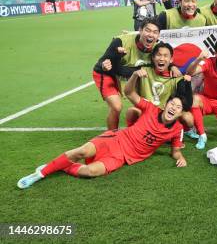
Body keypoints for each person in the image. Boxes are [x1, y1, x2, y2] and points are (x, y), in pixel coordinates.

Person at [17, 69, 190, 189]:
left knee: (90, 172)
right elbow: (129, 93)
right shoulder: (151, 108)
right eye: (172, 104)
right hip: (116, 139)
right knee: (83, 152)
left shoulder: (177, 129)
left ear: (180, 113)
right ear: (166, 104)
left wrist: (180, 157)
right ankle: (41, 173)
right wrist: (135, 76)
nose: (173, 108)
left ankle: (61, 166)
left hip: (123, 157)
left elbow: (175, 150)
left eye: (178, 107)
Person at [92, 18, 161, 130]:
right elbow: (103, 62)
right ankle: (112, 136)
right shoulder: (121, 42)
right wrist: (106, 65)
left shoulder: (158, 48)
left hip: (130, 76)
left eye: (155, 32)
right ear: (140, 30)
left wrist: (173, 67)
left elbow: (166, 62)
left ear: (158, 35)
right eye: (147, 30)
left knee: (145, 104)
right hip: (107, 74)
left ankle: (136, 131)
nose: (151, 35)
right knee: (116, 106)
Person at [125, 42, 191, 127]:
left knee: (188, 118)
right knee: (132, 111)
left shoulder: (176, 77)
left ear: (171, 59)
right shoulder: (143, 70)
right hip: (145, 111)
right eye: (159, 55)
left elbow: (187, 104)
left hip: (165, 114)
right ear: (153, 57)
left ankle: (178, 131)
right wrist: (134, 75)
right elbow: (127, 90)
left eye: (165, 56)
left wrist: (187, 83)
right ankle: (132, 134)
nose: (161, 58)